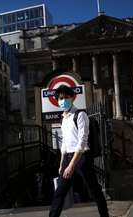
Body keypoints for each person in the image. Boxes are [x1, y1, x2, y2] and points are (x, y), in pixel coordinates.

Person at [49, 85, 109, 217]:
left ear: (72, 97)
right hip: (67, 158)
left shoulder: (80, 115)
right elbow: (64, 142)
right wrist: (62, 164)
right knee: (60, 192)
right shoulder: (64, 118)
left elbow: (82, 142)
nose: (63, 100)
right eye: (60, 98)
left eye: (66, 97)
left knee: (94, 190)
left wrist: (71, 165)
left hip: (82, 158)